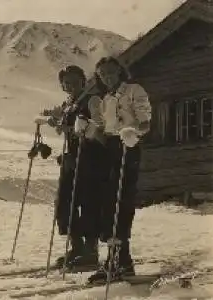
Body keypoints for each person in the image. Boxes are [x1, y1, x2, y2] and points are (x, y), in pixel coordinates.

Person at [35, 65, 109, 271]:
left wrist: (71, 128)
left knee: (88, 202)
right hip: (72, 157)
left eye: (74, 82)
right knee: (65, 201)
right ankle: (77, 247)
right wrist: (55, 120)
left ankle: (90, 251)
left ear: (82, 81)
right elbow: (64, 122)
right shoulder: (70, 103)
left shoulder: (93, 100)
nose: (70, 86)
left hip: (91, 158)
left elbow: (99, 129)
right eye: (66, 83)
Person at [87, 56, 152, 283]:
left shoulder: (134, 90)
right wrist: (90, 131)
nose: (107, 77)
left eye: (111, 72)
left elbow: (146, 122)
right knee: (108, 202)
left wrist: (132, 131)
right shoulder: (105, 99)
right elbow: (106, 131)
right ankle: (118, 259)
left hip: (129, 146)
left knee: (122, 202)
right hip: (112, 149)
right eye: (102, 74)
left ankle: (120, 261)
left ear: (120, 72)